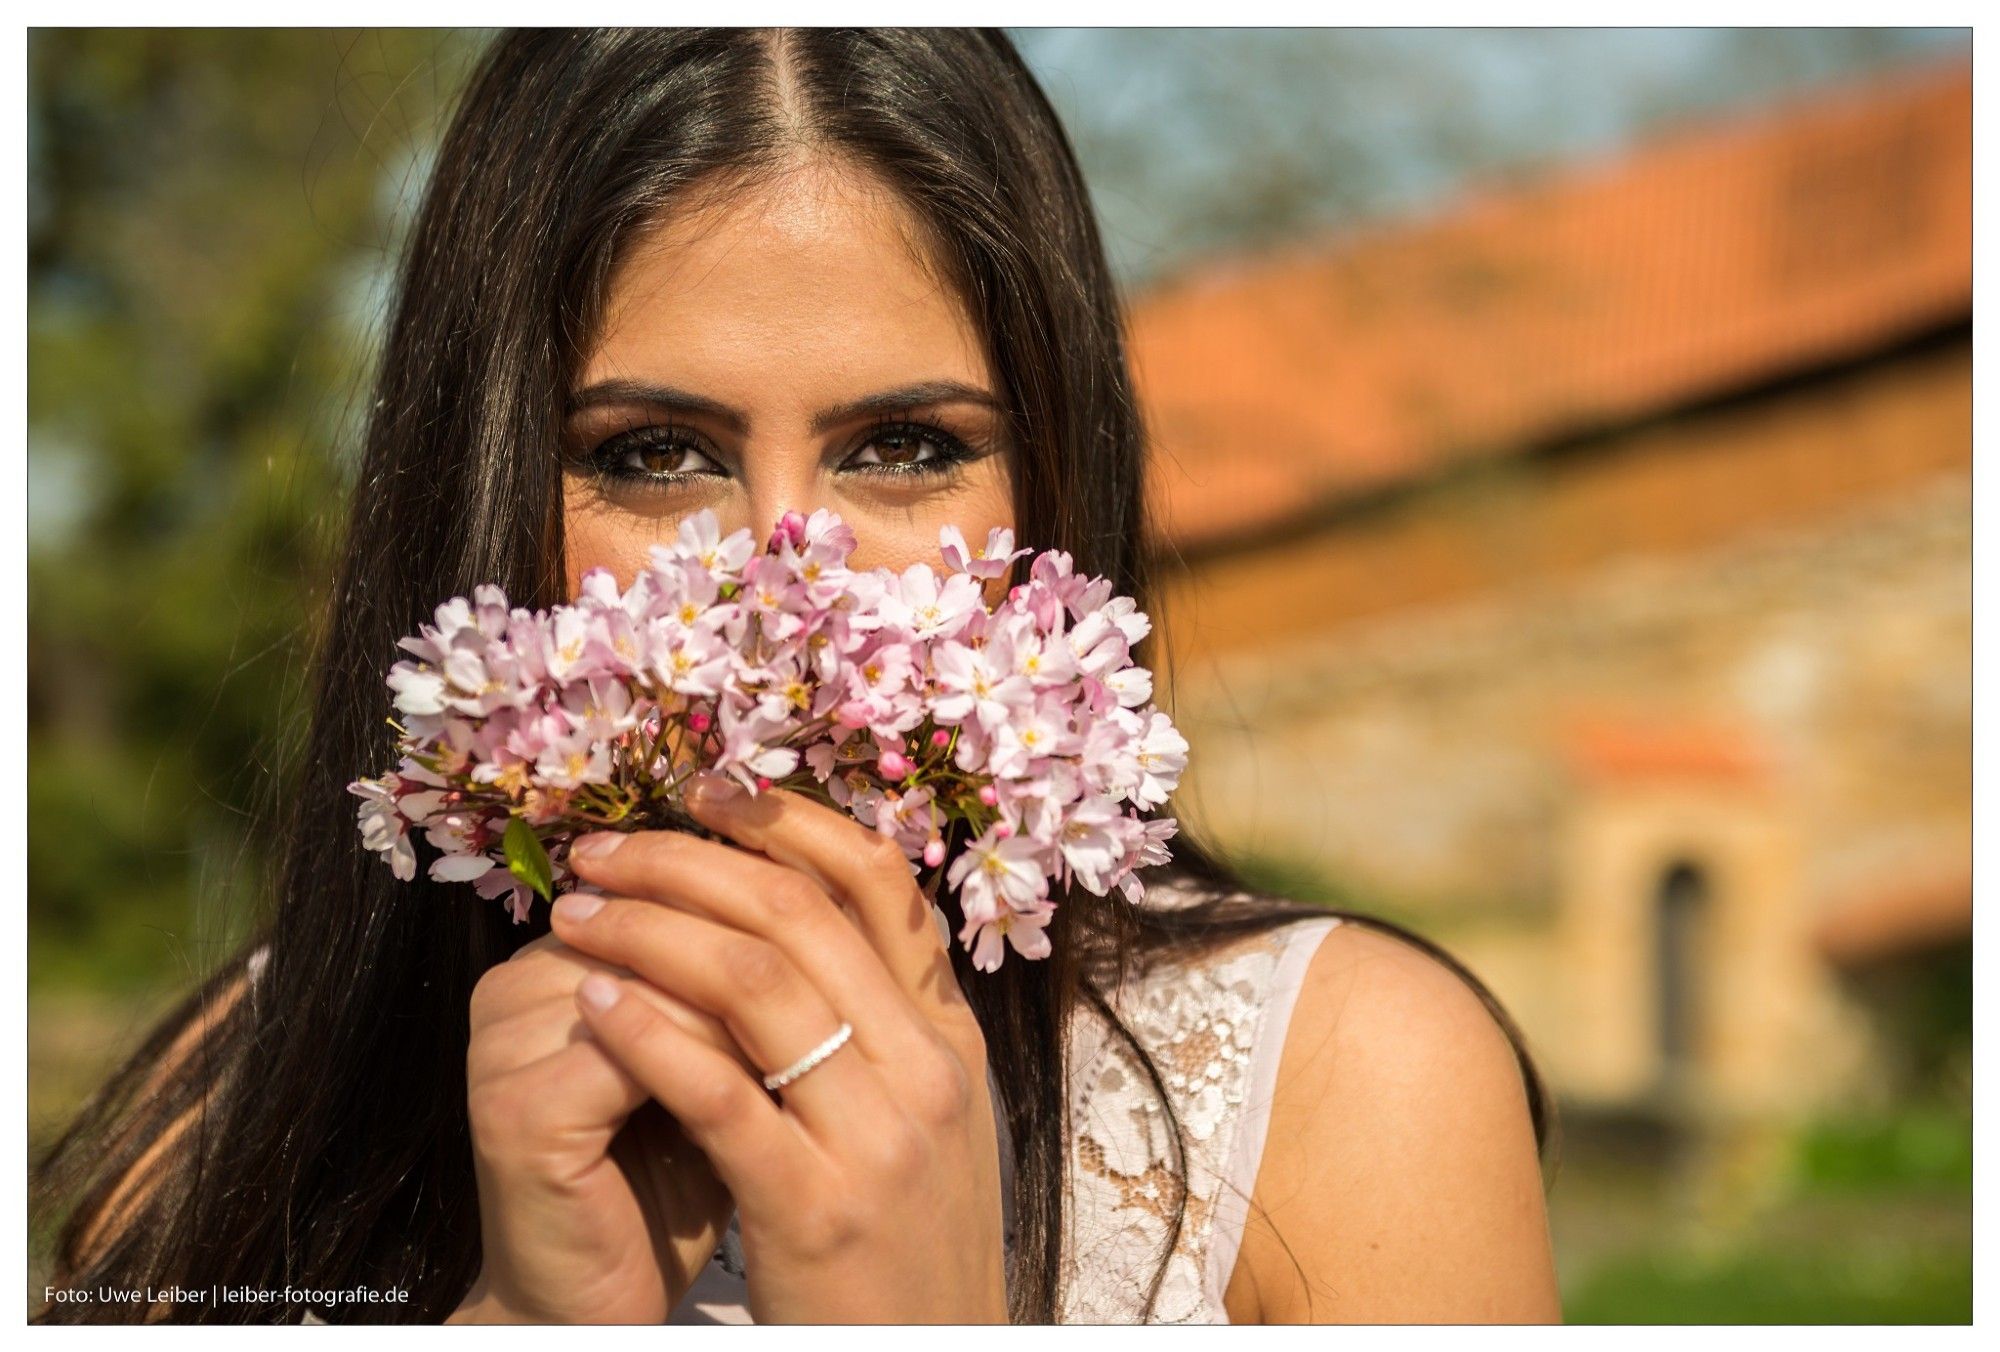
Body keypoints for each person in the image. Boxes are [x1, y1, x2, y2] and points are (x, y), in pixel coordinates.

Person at [31, 28, 1561, 1324]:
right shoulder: (230, 1110)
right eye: (652, 455)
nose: (784, 582)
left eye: (905, 449)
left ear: (1053, 486)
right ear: (482, 494)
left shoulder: (1359, 1091)